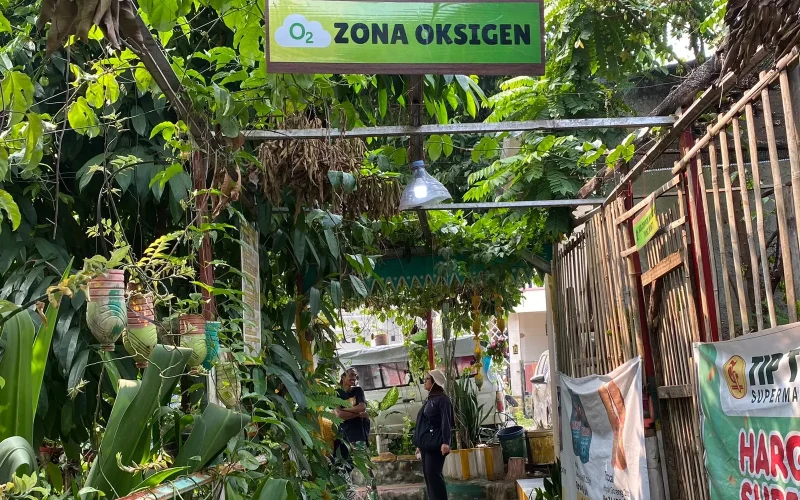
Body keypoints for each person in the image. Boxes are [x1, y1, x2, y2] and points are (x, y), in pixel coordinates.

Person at [414, 369, 453, 500]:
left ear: (434, 382)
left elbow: (446, 421)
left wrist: (446, 442)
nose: (424, 381)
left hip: (436, 443)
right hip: (426, 444)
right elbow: (423, 424)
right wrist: (419, 445)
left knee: (433, 474)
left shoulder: (443, 399)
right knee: (428, 476)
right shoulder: (429, 399)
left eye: (427, 379)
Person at [333, 368, 371, 499]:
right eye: (351, 375)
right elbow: (339, 415)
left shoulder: (358, 391)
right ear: (343, 377)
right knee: (343, 467)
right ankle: (348, 495)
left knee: (364, 467)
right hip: (343, 436)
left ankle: (371, 495)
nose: (354, 378)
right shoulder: (337, 393)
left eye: (355, 375)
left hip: (359, 435)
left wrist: (346, 410)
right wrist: (358, 414)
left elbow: (362, 407)